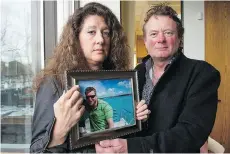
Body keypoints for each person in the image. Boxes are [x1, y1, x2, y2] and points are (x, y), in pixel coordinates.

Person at [95, 3, 221, 153]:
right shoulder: (136, 73)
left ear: (179, 39)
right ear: (146, 42)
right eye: (154, 34)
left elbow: (191, 132)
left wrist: (132, 147)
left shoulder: (202, 73)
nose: (161, 39)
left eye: (168, 32)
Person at [30, 2, 150, 153]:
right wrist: (59, 130)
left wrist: (138, 120)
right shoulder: (54, 83)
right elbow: (37, 151)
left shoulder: (116, 77)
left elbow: (123, 136)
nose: (100, 39)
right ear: (76, 37)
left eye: (106, 33)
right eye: (91, 32)